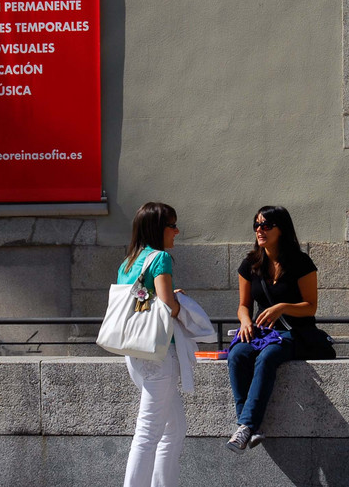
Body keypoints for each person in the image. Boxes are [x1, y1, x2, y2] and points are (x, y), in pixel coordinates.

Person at [226, 205, 319, 453]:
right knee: (237, 354)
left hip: (293, 333)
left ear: (282, 230)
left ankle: (245, 426)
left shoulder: (300, 262)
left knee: (268, 357)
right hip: (261, 333)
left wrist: (282, 308)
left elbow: (311, 307)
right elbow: (243, 305)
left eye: (266, 225)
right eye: (256, 225)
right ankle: (249, 427)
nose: (260, 230)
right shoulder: (250, 264)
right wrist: (245, 322)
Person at [119, 202, 185, 487]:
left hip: (135, 352)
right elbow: (168, 306)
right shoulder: (161, 258)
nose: (177, 231)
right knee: (147, 434)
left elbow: (142, 301)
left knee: (174, 428)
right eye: (173, 225)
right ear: (158, 228)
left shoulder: (129, 262)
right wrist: (181, 303)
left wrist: (166, 296)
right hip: (159, 354)